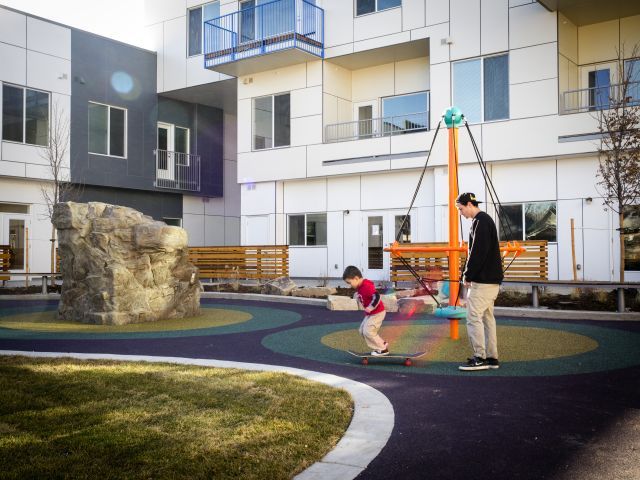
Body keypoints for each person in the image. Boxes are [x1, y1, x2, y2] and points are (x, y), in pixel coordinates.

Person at [455, 192, 503, 371]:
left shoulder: (480, 222)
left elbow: (477, 252)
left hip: (483, 282)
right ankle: (491, 358)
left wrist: (467, 275)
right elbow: (479, 252)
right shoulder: (485, 221)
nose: (461, 213)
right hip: (491, 280)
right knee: (487, 318)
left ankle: (480, 357)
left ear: (469, 204)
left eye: (461, 209)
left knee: (473, 317)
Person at [342, 265, 389, 356]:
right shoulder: (360, 286)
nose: (349, 285)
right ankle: (381, 344)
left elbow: (377, 296)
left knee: (368, 331)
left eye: (349, 282)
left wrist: (370, 307)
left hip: (377, 313)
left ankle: (383, 349)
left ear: (356, 278)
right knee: (361, 330)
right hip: (370, 314)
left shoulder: (366, 286)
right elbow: (363, 295)